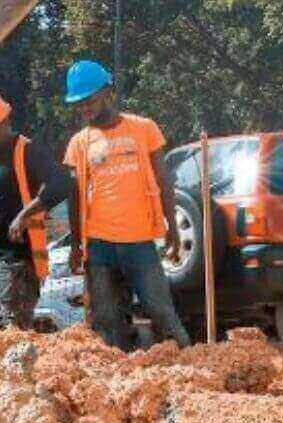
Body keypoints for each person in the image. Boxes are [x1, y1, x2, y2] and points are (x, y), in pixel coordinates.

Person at [62, 60, 190, 349]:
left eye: (89, 101)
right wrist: (74, 246)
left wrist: (172, 227)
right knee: (106, 321)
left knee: (161, 311)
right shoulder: (78, 143)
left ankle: (190, 368)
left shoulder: (144, 129)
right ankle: (116, 381)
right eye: (78, 104)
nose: (84, 109)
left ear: (108, 92)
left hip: (140, 241)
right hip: (99, 245)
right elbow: (75, 195)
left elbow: (164, 181)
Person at [0, 89, 70, 329]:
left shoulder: (27, 151)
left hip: (14, 263)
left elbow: (61, 184)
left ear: (5, 121)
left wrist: (24, 215)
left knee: (15, 335)